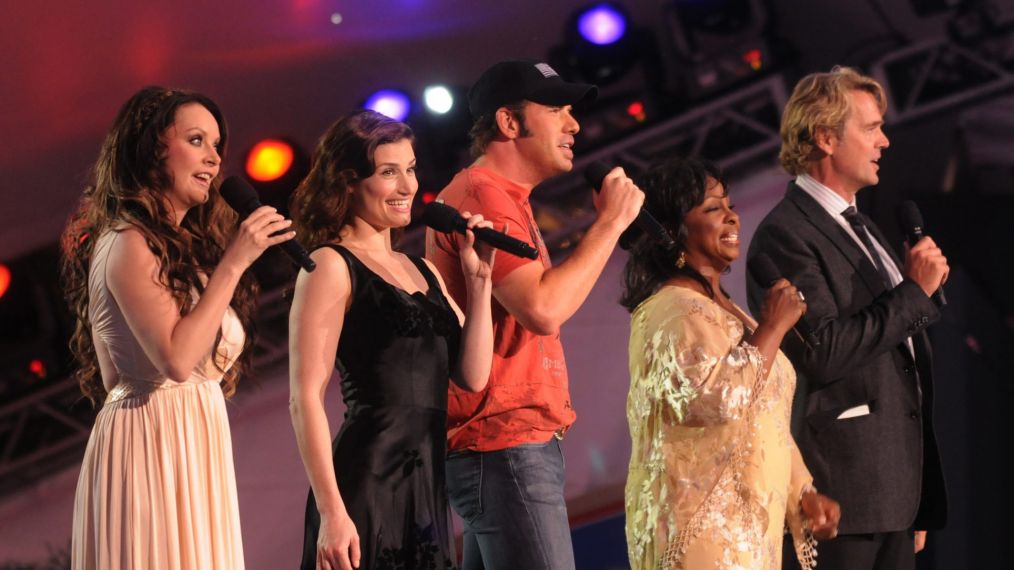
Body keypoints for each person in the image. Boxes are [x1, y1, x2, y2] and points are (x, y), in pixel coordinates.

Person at [62, 86, 294, 569]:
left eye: (216, 145)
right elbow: (174, 360)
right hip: (151, 446)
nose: (213, 158)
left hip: (192, 435)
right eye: (196, 140)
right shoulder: (126, 241)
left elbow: (125, 375)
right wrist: (235, 262)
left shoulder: (178, 249)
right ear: (151, 149)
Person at [425, 59, 644, 570]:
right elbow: (544, 308)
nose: (574, 125)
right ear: (509, 122)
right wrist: (610, 223)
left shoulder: (505, 199)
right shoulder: (483, 196)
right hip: (503, 445)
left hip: (508, 447)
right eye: (557, 110)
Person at [746, 66, 949, 569]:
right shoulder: (786, 234)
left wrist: (915, 486)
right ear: (826, 137)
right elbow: (824, 351)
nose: (885, 140)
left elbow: (898, 346)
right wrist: (912, 292)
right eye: (871, 127)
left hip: (895, 489)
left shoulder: (863, 224)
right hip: (844, 494)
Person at [288, 109, 495, 570]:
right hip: (366, 481)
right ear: (347, 182)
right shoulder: (330, 264)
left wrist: (479, 284)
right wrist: (332, 511)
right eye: (388, 172)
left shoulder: (420, 269)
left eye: (411, 168)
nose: (407, 186)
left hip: (426, 488)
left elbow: (473, 376)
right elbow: (304, 397)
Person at [620, 156, 840, 570]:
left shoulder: (733, 314)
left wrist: (802, 492)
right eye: (712, 208)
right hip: (700, 532)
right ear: (672, 231)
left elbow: (764, 416)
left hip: (751, 530)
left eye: (731, 205)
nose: (732, 217)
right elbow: (714, 402)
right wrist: (773, 329)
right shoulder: (669, 311)